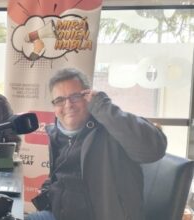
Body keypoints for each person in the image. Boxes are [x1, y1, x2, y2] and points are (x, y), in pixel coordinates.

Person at [26, 68, 167, 220]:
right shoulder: (57, 134)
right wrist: (49, 189)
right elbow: (64, 174)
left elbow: (154, 149)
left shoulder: (112, 131)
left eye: (75, 96)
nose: (68, 105)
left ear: (89, 97)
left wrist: (102, 105)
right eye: (60, 100)